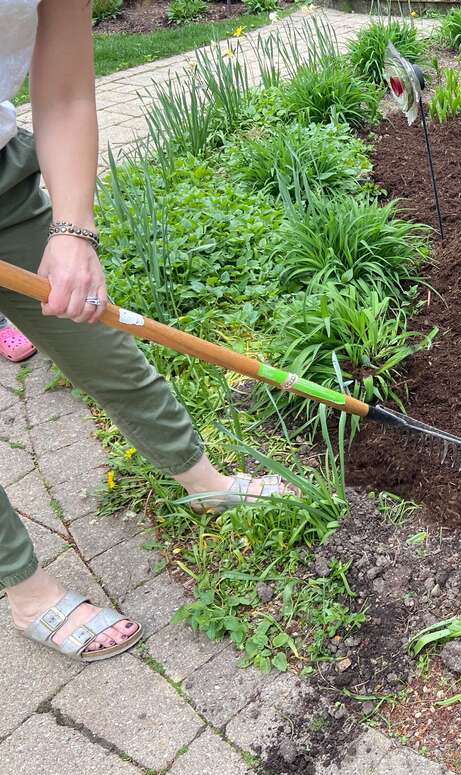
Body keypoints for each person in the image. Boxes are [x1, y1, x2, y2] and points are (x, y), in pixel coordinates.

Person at [0, 0, 293, 661]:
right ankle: (28, 590)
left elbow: (68, 92)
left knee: (105, 350)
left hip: (3, 188)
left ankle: (206, 484)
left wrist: (72, 231)